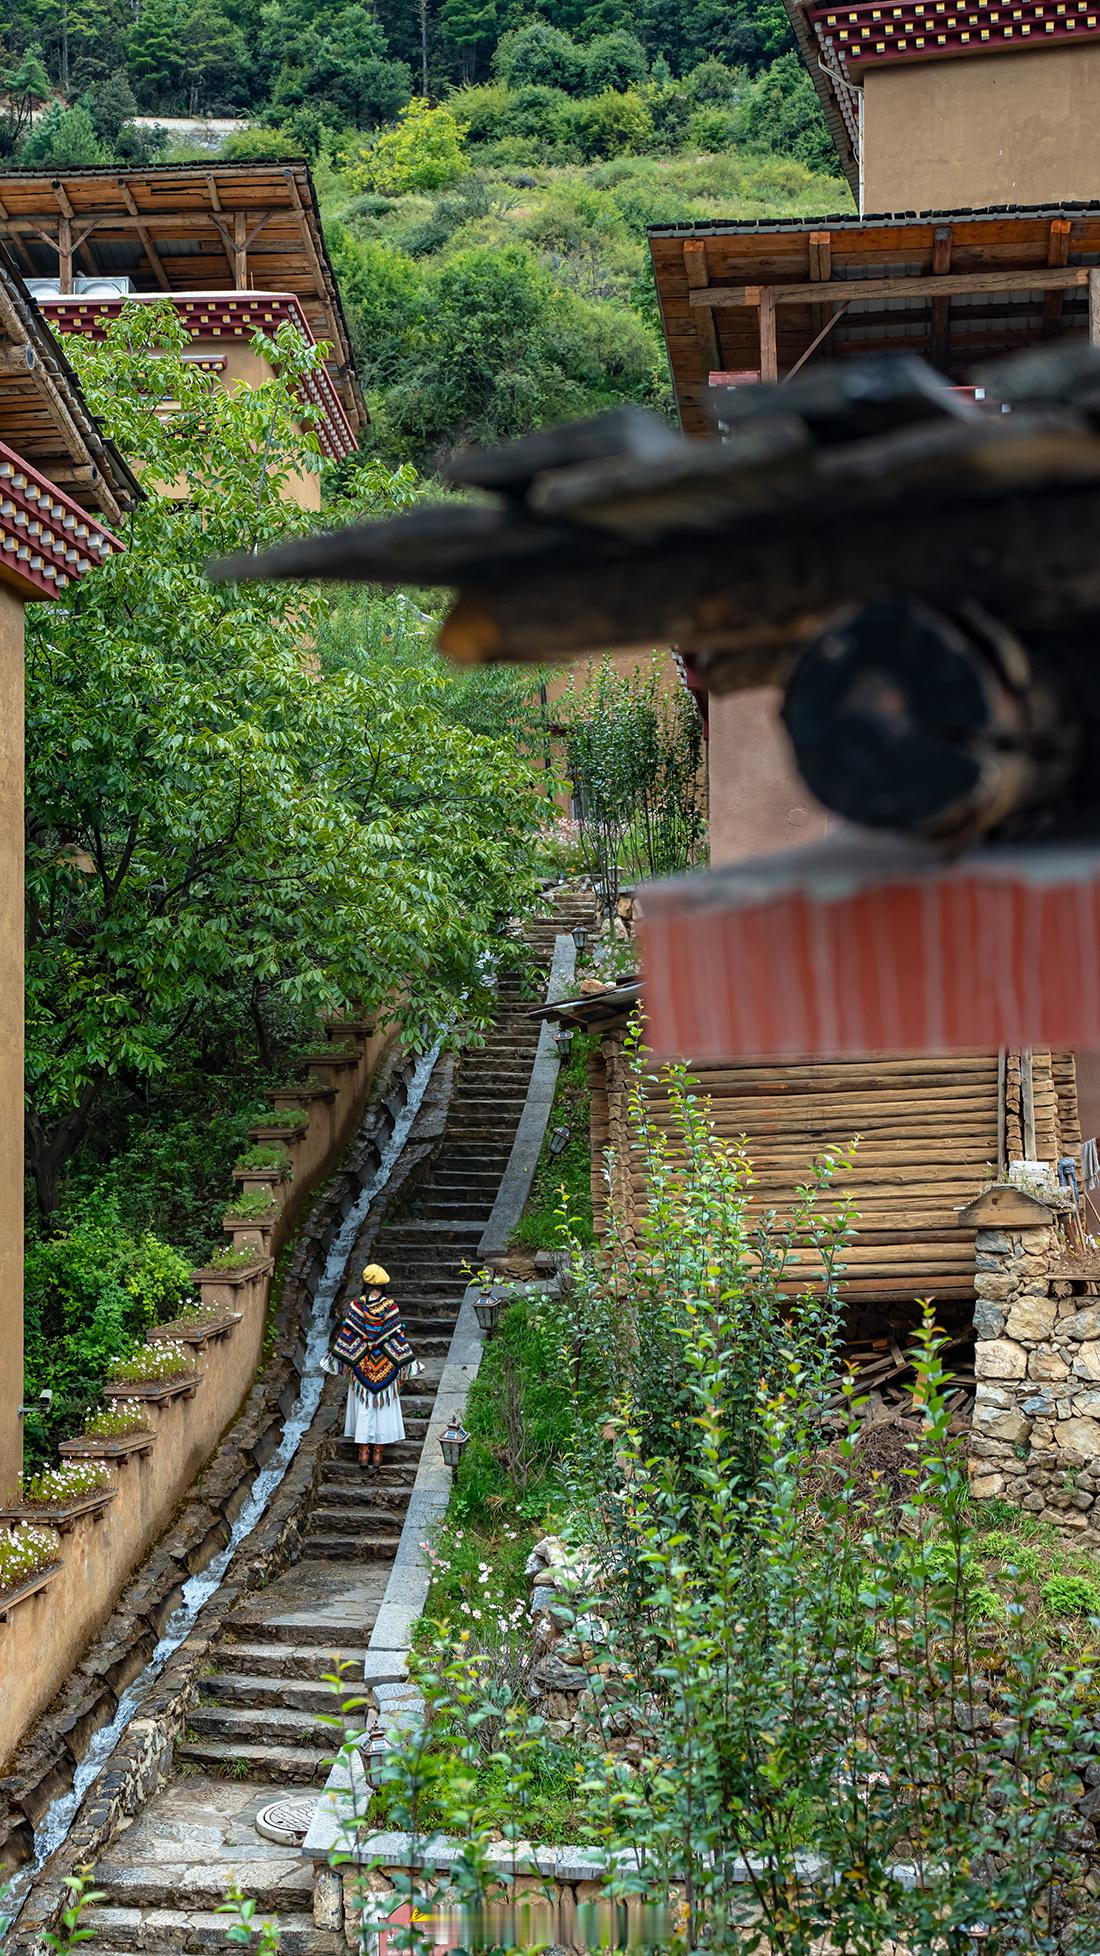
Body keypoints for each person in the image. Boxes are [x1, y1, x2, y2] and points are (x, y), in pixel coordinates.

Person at [326, 1264, 417, 1470]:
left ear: (366, 1284)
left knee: (363, 1406)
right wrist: (404, 1362)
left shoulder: (357, 1306)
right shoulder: (391, 1307)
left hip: (362, 1365)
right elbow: (397, 1337)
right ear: (384, 1285)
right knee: (383, 1408)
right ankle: (378, 1454)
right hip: (385, 1364)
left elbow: (348, 1336)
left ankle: (363, 1452)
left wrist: (347, 1361)